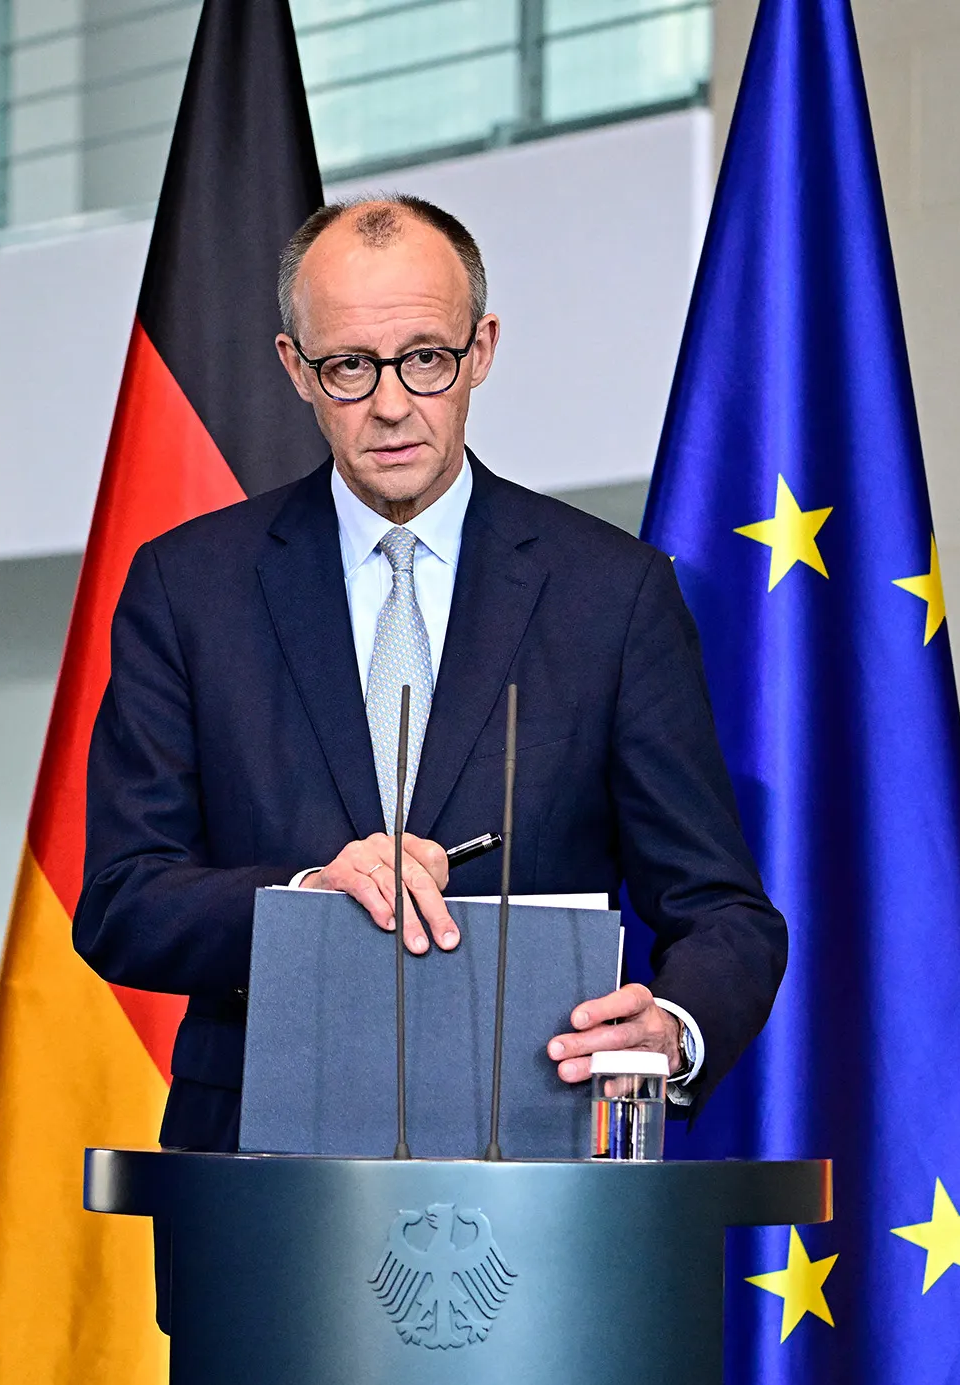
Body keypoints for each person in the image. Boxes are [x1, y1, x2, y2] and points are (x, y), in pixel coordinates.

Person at [76, 194, 785, 1152]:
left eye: (426, 357)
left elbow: (722, 910)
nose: (392, 403)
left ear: (481, 350)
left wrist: (675, 1028)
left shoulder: (612, 592)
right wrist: (303, 898)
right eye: (348, 367)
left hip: (538, 1166)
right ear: (296, 369)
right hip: (257, 1179)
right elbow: (123, 901)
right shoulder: (185, 585)